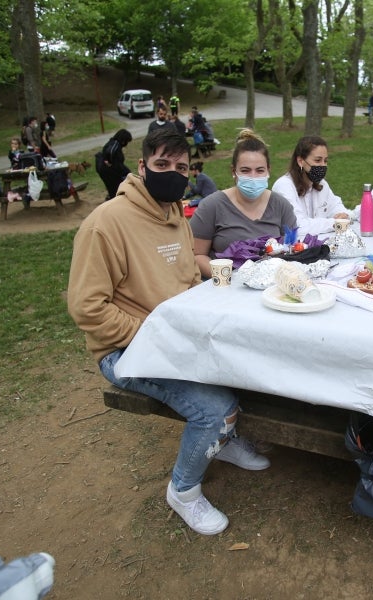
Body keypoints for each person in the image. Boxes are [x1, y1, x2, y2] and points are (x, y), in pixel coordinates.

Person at [67, 128, 270, 537]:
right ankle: (184, 490)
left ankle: (223, 442)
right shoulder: (105, 224)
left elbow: (187, 281)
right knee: (215, 408)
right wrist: (152, 334)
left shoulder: (176, 214)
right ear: (142, 167)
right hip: (125, 351)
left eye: (181, 167)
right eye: (162, 164)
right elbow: (87, 308)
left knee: (249, 360)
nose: (173, 174)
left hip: (176, 338)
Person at [190, 129, 297, 278]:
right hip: (224, 286)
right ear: (234, 171)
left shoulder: (281, 206)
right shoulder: (211, 206)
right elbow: (197, 255)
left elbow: (292, 251)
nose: (253, 177)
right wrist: (229, 278)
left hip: (272, 285)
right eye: (245, 170)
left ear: (268, 171)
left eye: (260, 170)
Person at [271, 135, 350, 237]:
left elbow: (336, 206)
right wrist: (335, 223)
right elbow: (296, 226)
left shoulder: (321, 184)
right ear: (300, 161)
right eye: (317, 160)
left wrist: (343, 215)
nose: (323, 165)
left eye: (325, 161)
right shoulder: (284, 186)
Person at [96, 129, 133, 200]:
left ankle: (112, 198)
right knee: (115, 188)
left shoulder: (113, 143)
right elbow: (110, 153)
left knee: (114, 188)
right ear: (123, 140)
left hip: (107, 170)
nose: (126, 144)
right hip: (107, 171)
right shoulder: (115, 145)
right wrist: (109, 161)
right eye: (127, 141)